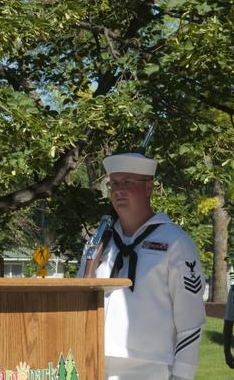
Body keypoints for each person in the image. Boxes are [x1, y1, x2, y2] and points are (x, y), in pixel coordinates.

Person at [77, 153, 206, 380]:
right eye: (114, 183)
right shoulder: (98, 243)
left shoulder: (175, 242)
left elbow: (191, 318)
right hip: (95, 361)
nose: (118, 191)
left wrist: (183, 374)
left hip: (150, 367)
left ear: (149, 188)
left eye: (128, 183)